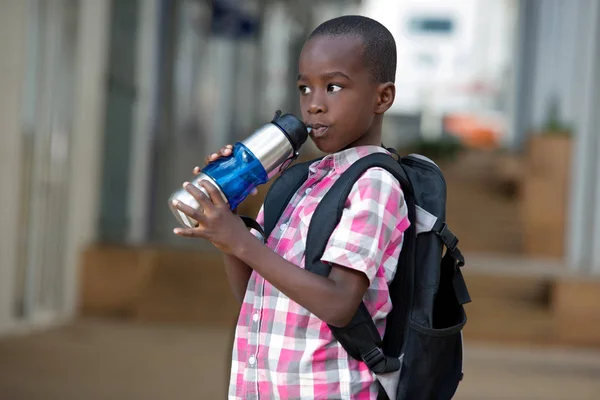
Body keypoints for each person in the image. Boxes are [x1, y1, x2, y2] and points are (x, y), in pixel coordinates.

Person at [172, 15, 410, 400]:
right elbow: (255, 292)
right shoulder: (298, 181)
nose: (314, 105)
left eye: (333, 87)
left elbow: (338, 304)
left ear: (382, 97)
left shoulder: (375, 184)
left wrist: (242, 242)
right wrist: (228, 216)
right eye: (304, 88)